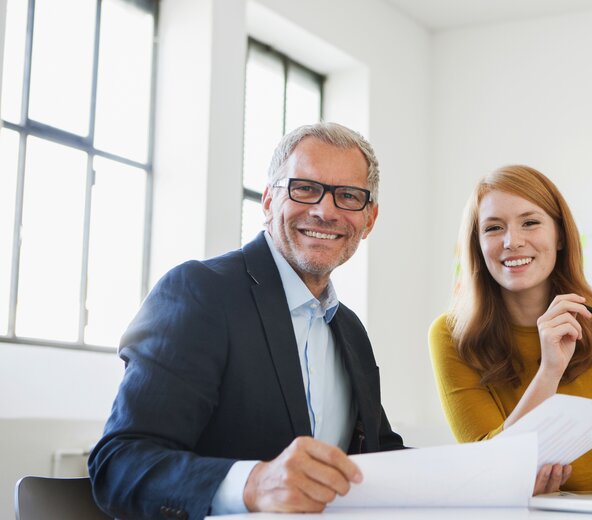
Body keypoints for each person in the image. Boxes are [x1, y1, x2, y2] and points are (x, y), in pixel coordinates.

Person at [89, 122, 404, 519]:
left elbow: (383, 456)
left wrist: (489, 461)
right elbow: (120, 464)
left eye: (348, 196)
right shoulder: (200, 292)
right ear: (270, 201)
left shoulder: (350, 330)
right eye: (305, 188)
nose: (326, 211)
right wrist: (254, 484)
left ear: (369, 218)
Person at [429, 165, 592, 496]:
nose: (512, 241)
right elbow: (490, 467)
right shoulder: (452, 334)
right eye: (493, 228)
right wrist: (550, 371)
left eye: (530, 222)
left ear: (559, 235)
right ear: (477, 244)